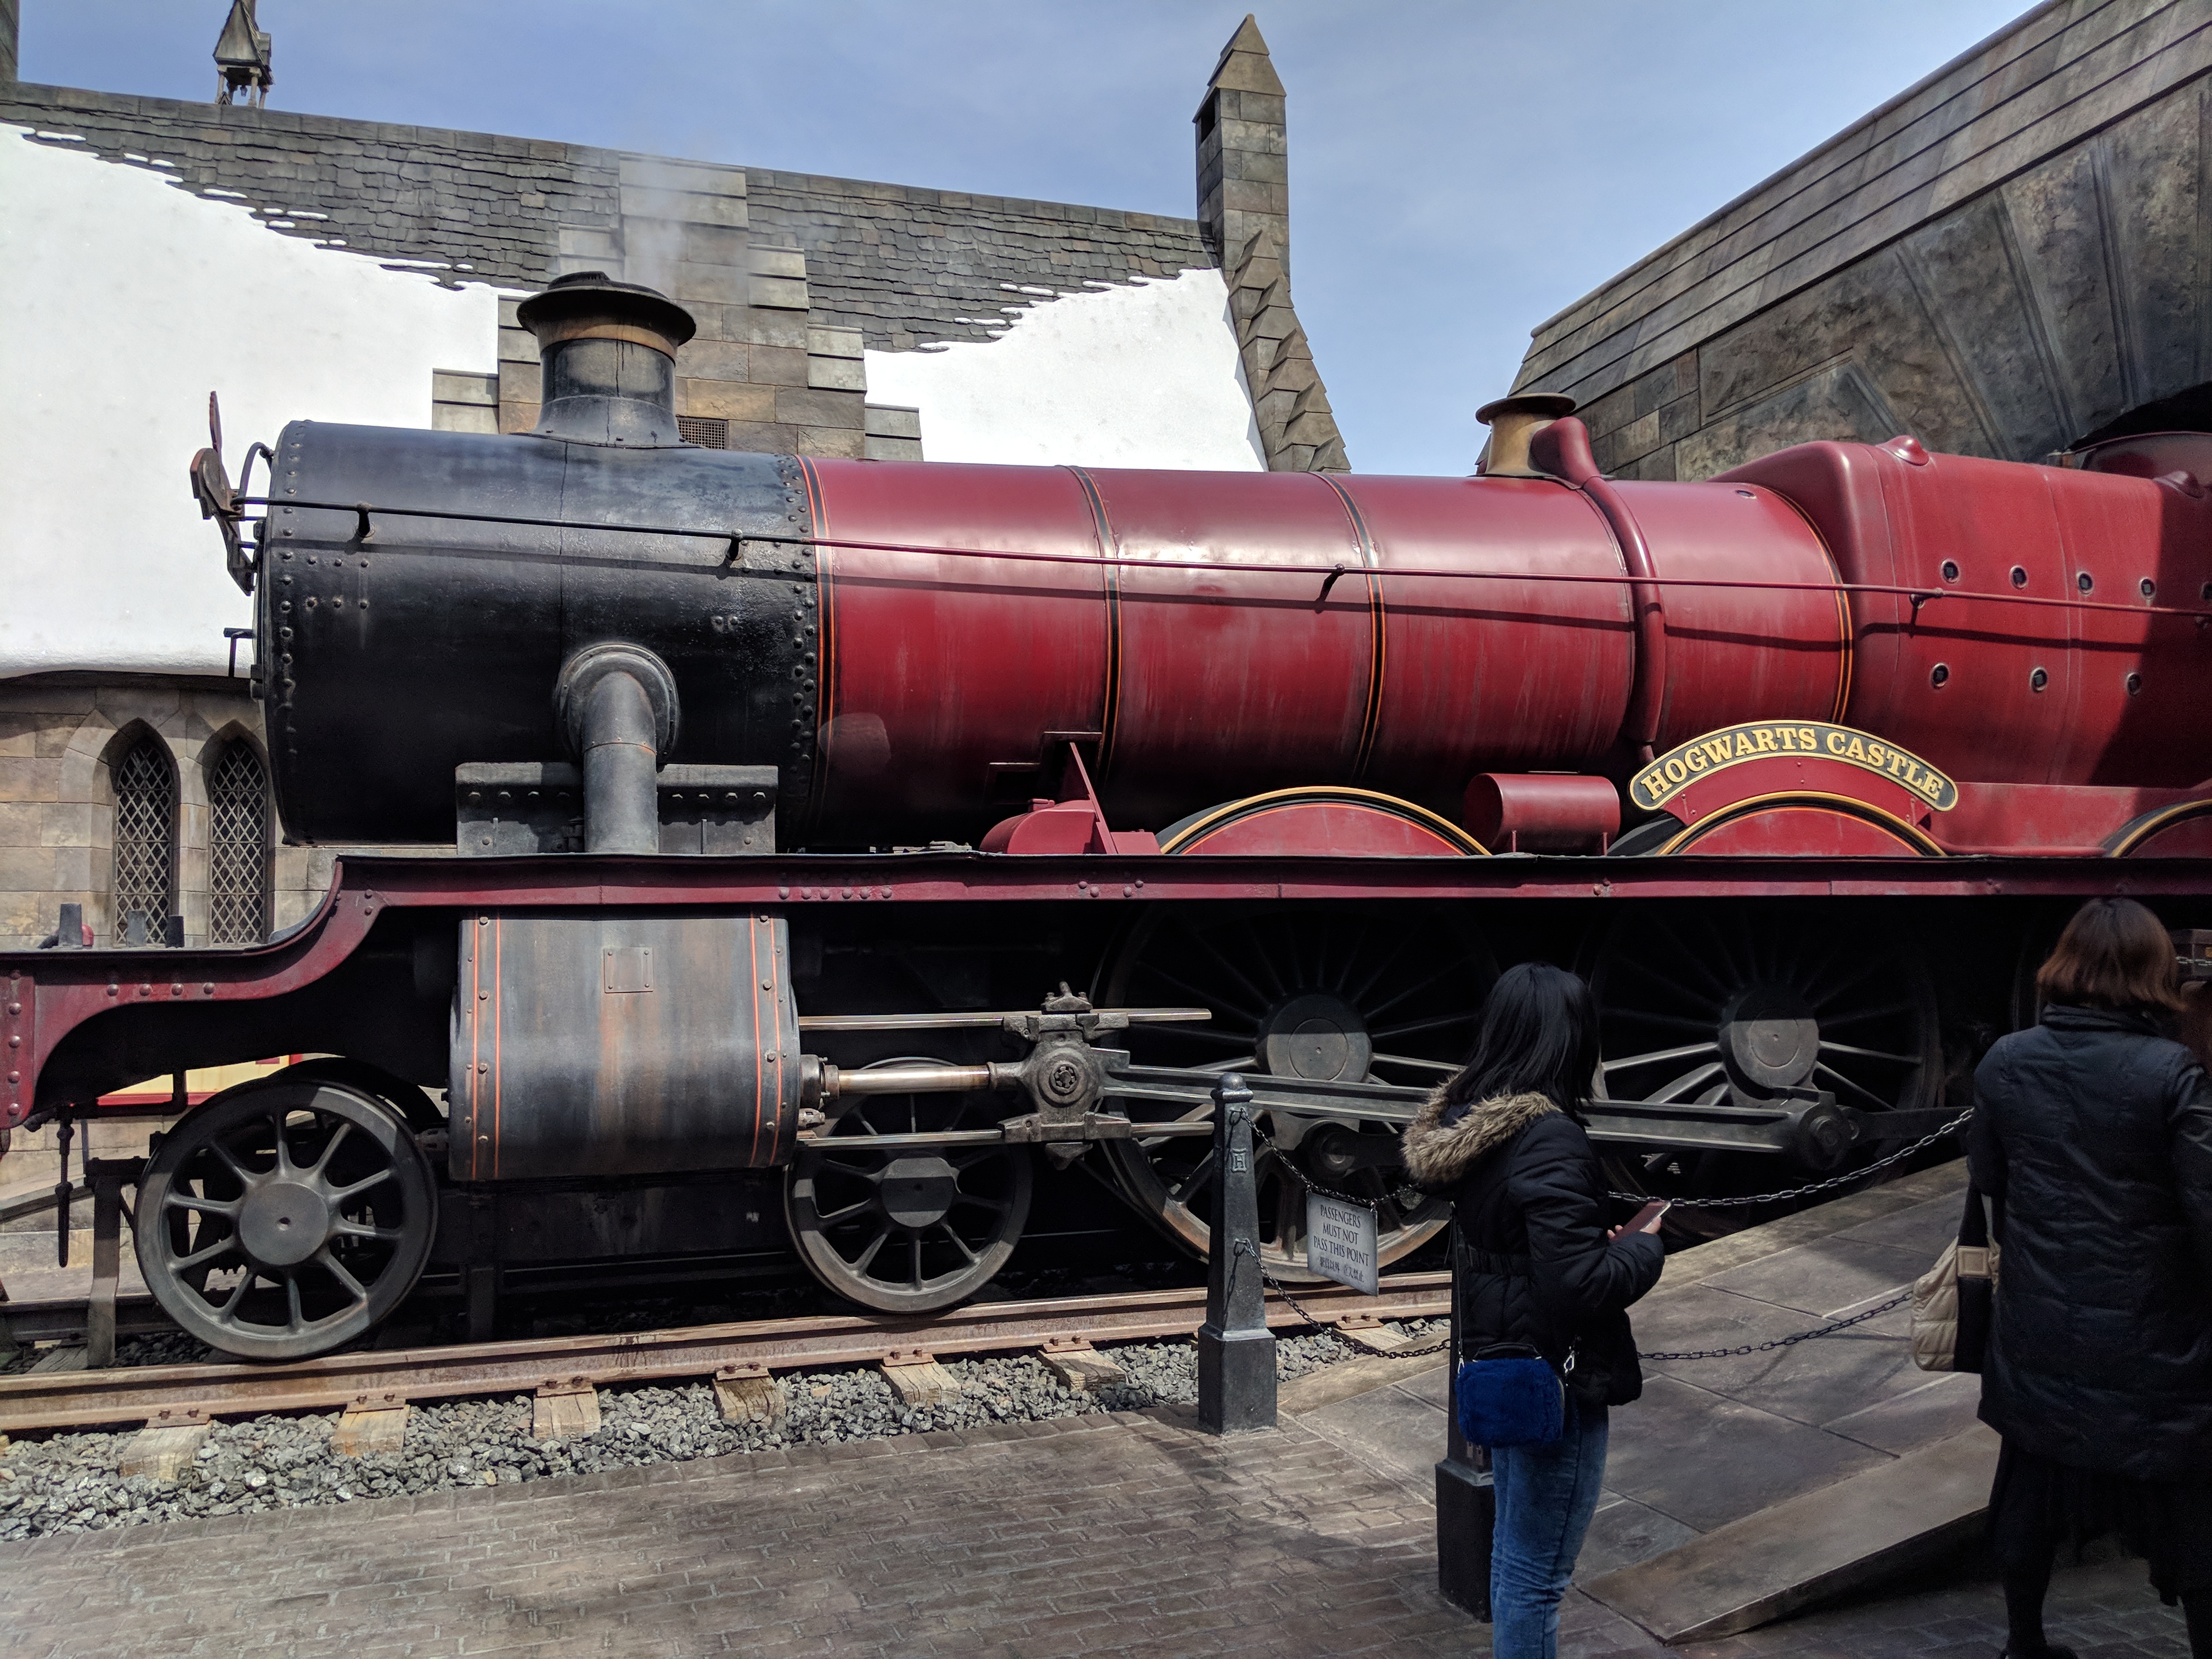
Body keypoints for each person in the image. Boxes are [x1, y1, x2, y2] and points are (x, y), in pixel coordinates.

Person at [1969, 897, 2212, 1659]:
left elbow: (1990, 1181)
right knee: (2191, 1515)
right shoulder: (2171, 1071)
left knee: (2029, 1490)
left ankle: (2025, 1644)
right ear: (2152, 971)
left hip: (2039, 1325)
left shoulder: (2006, 1060)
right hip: (2155, 1339)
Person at [1402, 961, 1665, 1659]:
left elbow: (1527, 1251)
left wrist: (1588, 1241)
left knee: (1513, 1555)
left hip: (1506, 1362)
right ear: (1570, 1040)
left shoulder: (1473, 1130)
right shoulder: (1549, 1137)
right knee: (1536, 1577)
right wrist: (1644, 1249)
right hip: (1558, 1378)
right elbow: (1577, 1286)